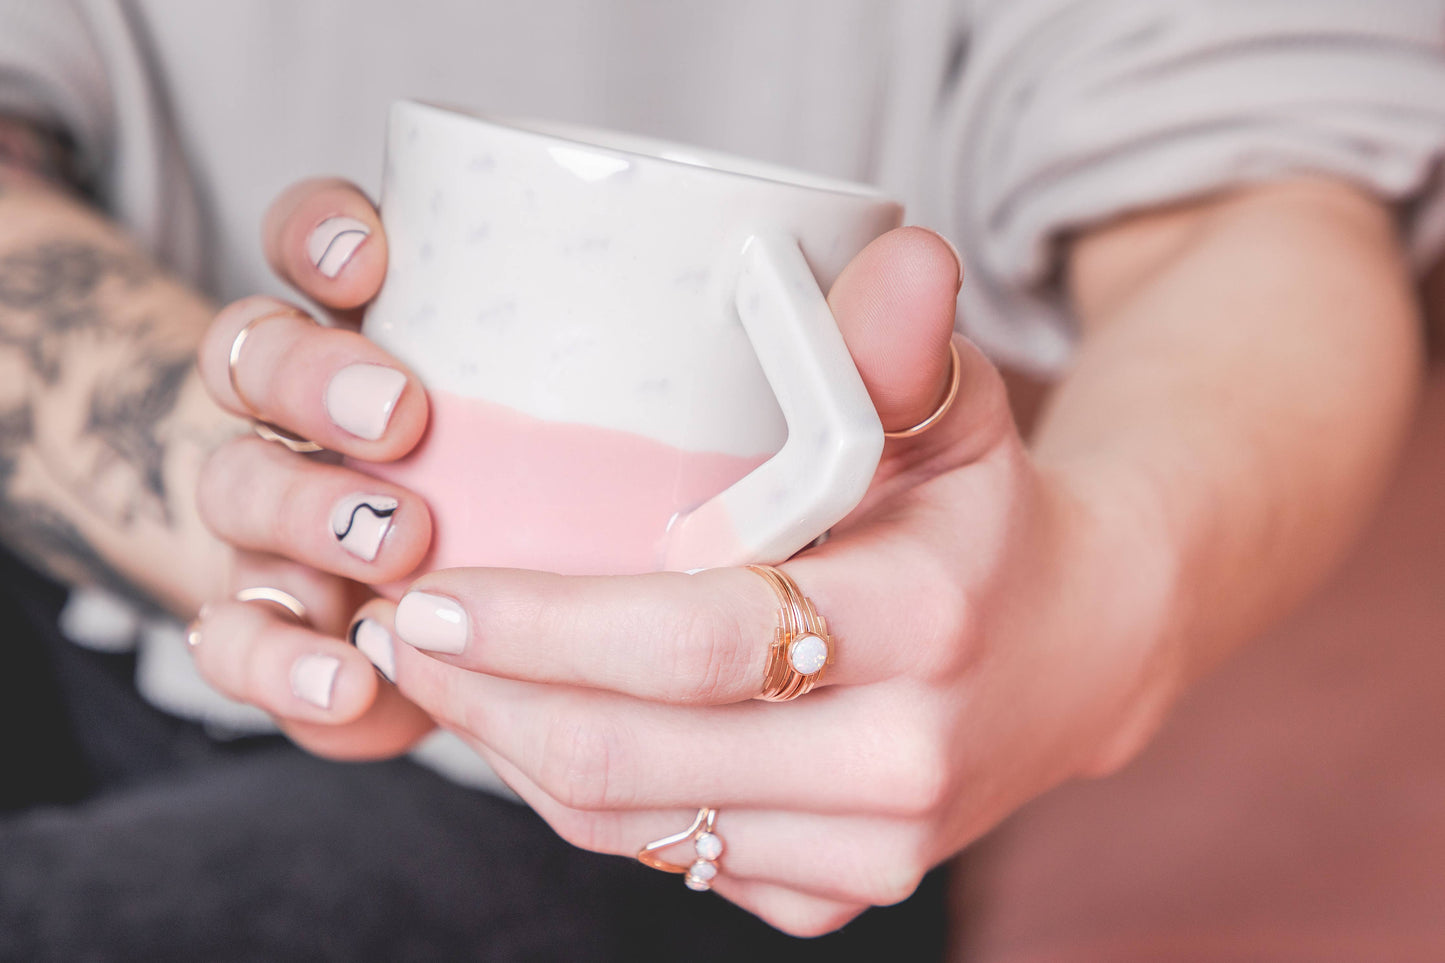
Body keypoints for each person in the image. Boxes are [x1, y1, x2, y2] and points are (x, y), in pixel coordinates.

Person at [2, 1, 1443, 959]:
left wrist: (1111, 581)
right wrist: (255, 494)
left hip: (723, 783)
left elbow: (1256, 211)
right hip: (94, 582)